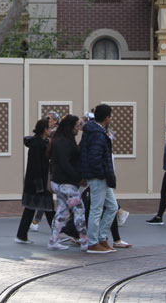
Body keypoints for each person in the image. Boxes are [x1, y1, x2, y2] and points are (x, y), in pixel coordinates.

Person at [80, 103, 117, 253]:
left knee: (112, 207)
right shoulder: (98, 134)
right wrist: (102, 174)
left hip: (99, 176)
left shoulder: (93, 131)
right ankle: (93, 242)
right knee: (97, 209)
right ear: (107, 117)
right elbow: (95, 157)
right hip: (99, 177)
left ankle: (101, 238)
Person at [48, 114, 87, 251]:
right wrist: (77, 177)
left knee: (62, 211)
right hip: (67, 183)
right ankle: (84, 240)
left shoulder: (60, 140)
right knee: (79, 210)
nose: (78, 129)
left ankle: (53, 240)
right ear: (71, 127)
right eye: (76, 126)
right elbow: (66, 163)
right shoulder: (65, 142)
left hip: (59, 182)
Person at [15, 118, 55, 244]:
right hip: (39, 183)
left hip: (36, 183)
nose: (50, 130)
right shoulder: (38, 145)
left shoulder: (39, 143)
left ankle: (21, 235)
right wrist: (40, 185)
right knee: (48, 209)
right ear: (44, 130)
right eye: (49, 128)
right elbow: (36, 166)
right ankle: (57, 235)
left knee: (31, 209)